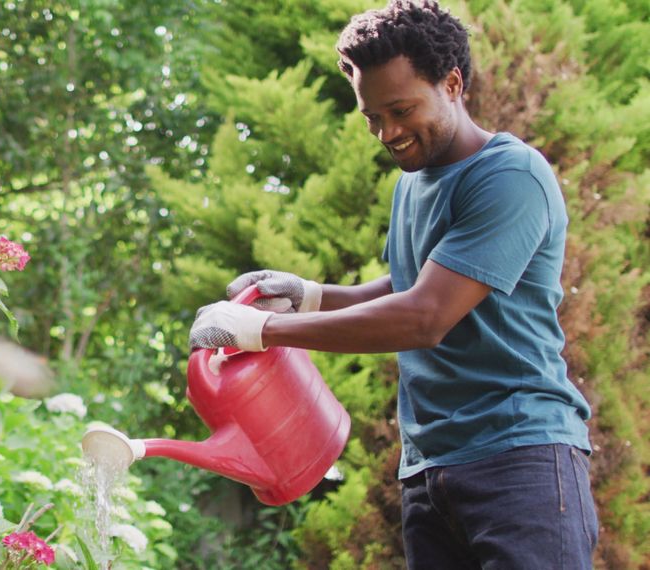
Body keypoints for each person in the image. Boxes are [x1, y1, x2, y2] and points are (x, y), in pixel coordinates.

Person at [188, 1, 598, 568]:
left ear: (452, 82)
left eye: (401, 109)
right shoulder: (416, 181)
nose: (388, 132)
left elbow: (424, 317)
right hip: (431, 467)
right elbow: (408, 285)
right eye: (372, 117)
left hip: (519, 456)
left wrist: (265, 329)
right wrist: (307, 293)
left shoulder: (510, 176)